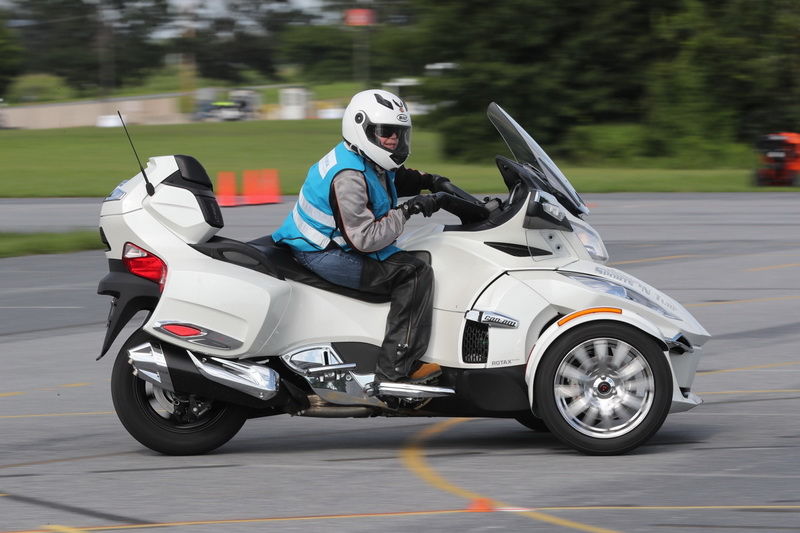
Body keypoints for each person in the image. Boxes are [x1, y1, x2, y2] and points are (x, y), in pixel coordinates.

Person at [272, 89, 452, 386]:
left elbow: (393, 177)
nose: (394, 138)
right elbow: (365, 239)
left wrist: (429, 182)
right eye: (385, 132)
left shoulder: (362, 155)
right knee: (415, 273)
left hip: (322, 243)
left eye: (399, 132)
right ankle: (395, 370)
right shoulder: (349, 177)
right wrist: (407, 211)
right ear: (362, 127)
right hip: (323, 253)